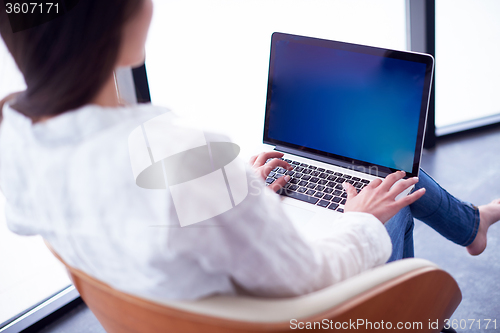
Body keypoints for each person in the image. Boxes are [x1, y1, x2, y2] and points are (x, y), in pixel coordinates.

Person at [1, 0, 499, 303]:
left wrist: (237, 192)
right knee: (392, 190)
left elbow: (149, 210)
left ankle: (471, 223)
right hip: (300, 316)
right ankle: (404, 315)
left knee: (385, 176)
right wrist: (363, 220)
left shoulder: (22, 143)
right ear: (120, 24)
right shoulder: (184, 156)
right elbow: (310, 278)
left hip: (168, 306)